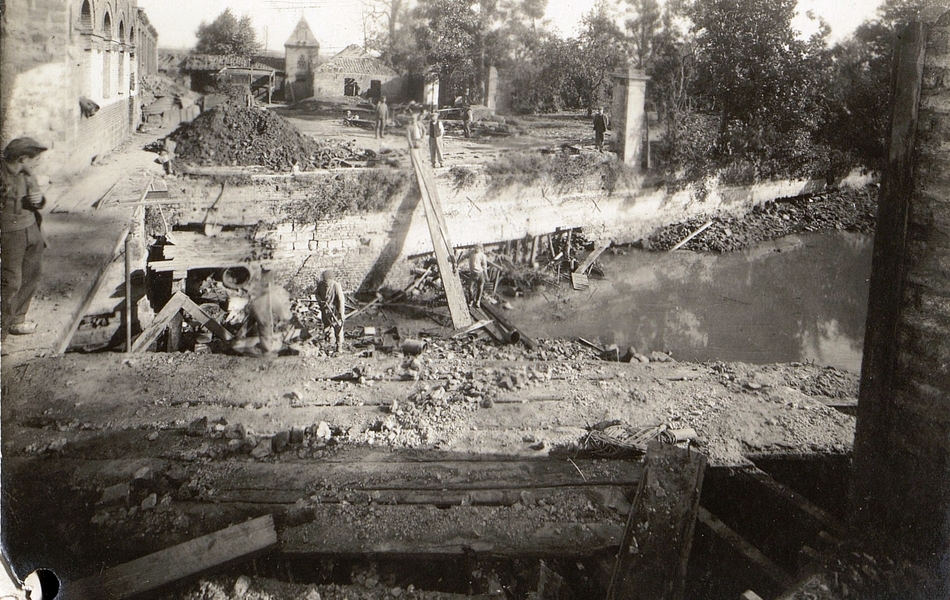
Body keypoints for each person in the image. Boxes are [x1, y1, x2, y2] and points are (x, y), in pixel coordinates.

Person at [1, 137, 49, 337]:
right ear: (22, 158)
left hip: (31, 228)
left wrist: (39, 201)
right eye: (34, 159)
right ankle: (1, 331)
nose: (37, 163)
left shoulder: (27, 173)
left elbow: (37, 199)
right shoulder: (3, 176)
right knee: (11, 281)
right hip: (10, 233)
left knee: (32, 274)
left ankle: (18, 319)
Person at [235, 267, 292, 357]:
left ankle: (249, 348)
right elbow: (282, 313)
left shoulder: (262, 294)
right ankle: (266, 352)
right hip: (263, 313)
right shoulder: (273, 297)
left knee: (256, 329)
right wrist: (286, 317)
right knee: (265, 330)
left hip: (257, 309)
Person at [317, 269, 345, 353]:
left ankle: (339, 346)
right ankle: (329, 342)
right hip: (325, 310)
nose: (326, 282)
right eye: (325, 280)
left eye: (328, 281)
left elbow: (341, 299)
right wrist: (320, 301)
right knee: (327, 326)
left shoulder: (336, 285)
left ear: (331, 279)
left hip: (335, 311)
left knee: (338, 328)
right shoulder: (320, 285)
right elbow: (317, 294)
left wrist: (341, 313)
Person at [460, 243, 488, 307]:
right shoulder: (471, 252)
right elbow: (464, 257)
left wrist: (486, 276)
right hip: (473, 274)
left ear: (481, 249)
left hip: (480, 274)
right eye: (475, 247)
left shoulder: (482, 256)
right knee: (470, 288)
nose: (476, 249)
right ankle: (471, 300)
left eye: (478, 248)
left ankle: (478, 301)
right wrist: (458, 263)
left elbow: (484, 267)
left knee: (480, 288)